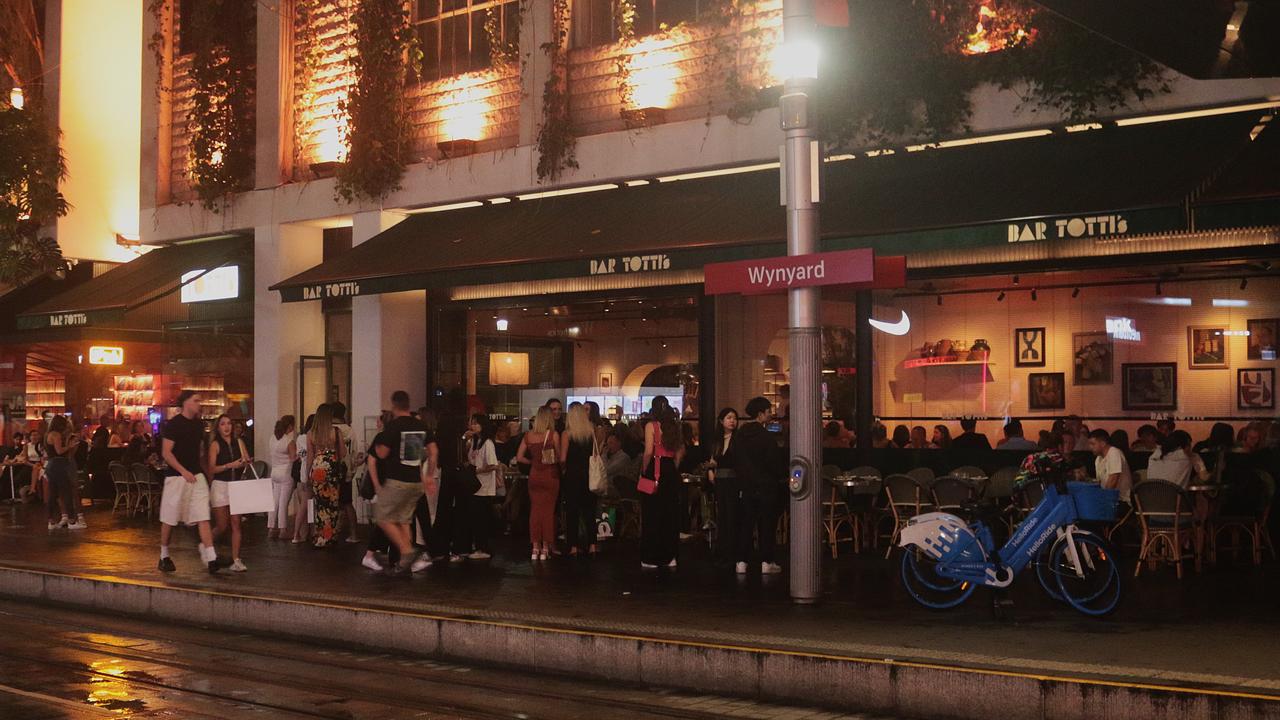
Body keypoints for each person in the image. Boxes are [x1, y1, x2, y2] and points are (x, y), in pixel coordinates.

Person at [158, 392, 228, 573]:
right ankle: (164, 555)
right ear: (185, 403)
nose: (199, 404)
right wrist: (183, 471)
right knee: (170, 517)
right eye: (196, 401)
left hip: (196, 475)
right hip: (176, 476)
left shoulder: (198, 425)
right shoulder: (173, 425)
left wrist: (206, 474)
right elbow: (167, 452)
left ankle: (211, 557)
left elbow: (200, 452)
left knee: (202, 514)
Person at [368, 390, 434, 574]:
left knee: (382, 516)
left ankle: (406, 550)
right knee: (404, 520)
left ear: (394, 405)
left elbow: (382, 454)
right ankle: (408, 553)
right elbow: (430, 451)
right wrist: (429, 475)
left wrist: (377, 446)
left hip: (397, 480)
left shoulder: (394, 426)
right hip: (415, 481)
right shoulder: (419, 426)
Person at [731, 397, 783, 575]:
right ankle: (766, 561)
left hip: (746, 486)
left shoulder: (739, 436)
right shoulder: (767, 437)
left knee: (746, 523)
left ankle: (741, 561)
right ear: (761, 414)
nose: (770, 416)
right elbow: (774, 463)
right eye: (768, 412)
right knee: (766, 524)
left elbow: (735, 459)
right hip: (766, 485)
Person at [639, 396, 685, 570]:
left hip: (655, 470)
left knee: (652, 514)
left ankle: (651, 557)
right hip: (670, 472)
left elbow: (648, 452)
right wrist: (674, 466)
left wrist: (644, 471)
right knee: (670, 515)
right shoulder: (675, 426)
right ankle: (670, 556)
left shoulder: (651, 426)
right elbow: (681, 451)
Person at [208, 414, 252, 572]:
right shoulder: (215, 445)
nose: (226, 427)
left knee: (236, 523)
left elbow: (246, 460)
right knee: (221, 525)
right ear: (218, 427)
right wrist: (229, 465)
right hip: (220, 485)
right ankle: (207, 547)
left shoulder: (238, 442)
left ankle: (236, 559)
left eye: (228, 423)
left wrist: (245, 462)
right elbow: (212, 468)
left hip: (236, 485)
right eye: (222, 424)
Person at [516, 406, 560, 561]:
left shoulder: (528, 436)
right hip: (550, 475)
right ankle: (546, 548)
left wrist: (532, 462)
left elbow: (519, 457)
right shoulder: (553, 435)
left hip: (534, 475)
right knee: (548, 512)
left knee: (535, 511)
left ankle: (535, 548)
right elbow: (560, 457)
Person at [559, 404, 601, 557]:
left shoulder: (567, 434)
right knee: (589, 511)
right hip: (589, 474)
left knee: (572, 512)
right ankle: (592, 544)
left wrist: (563, 469)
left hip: (572, 476)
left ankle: (573, 546)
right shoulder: (591, 432)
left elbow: (563, 458)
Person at [458, 414, 500, 560]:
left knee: (481, 518)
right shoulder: (475, 442)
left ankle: (484, 548)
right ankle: (479, 546)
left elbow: (493, 465)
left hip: (483, 486)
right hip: (475, 486)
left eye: (476, 424)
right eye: (472, 423)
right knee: (476, 517)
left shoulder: (487, 443)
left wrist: (476, 470)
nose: (473, 426)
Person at [306, 403, 346, 547]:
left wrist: (307, 474)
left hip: (317, 468)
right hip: (332, 468)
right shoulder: (336, 431)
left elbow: (309, 456)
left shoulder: (311, 433)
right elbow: (343, 453)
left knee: (321, 504)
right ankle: (331, 536)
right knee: (333, 504)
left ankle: (321, 536)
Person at [707, 408, 739, 565]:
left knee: (732, 513)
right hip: (720, 480)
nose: (732, 421)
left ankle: (731, 548)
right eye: (729, 418)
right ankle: (723, 547)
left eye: (734, 418)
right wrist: (711, 471)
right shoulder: (717, 440)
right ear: (721, 421)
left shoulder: (738, 439)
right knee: (722, 513)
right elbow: (713, 459)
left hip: (733, 480)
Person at [43, 417, 84, 530]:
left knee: (53, 494)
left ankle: (51, 521)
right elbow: (59, 451)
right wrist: (69, 446)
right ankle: (71, 520)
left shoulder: (48, 434)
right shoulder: (56, 435)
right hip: (59, 465)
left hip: (51, 465)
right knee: (66, 492)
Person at [267, 415, 297, 540]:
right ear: (289, 426)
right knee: (283, 503)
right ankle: (283, 530)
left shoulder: (273, 438)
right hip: (286, 473)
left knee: (274, 502)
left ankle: (271, 528)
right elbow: (293, 458)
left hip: (274, 473)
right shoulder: (289, 441)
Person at [1088, 429, 1133, 505]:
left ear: (1102, 443)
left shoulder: (1114, 452)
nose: (1090, 447)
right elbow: (1099, 482)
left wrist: (1103, 499)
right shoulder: (1098, 459)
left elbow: (1113, 479)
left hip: (1120, 500)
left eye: (1093, 444)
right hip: (1108, 499)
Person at [291, 414, 315, 544]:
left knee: (304, 505)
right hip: (309, 473)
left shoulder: (300, 438)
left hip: (302, 473)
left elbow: (299, 455)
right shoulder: (311, 438)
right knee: (307, 505)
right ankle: (297, 534)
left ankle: (302, 533)